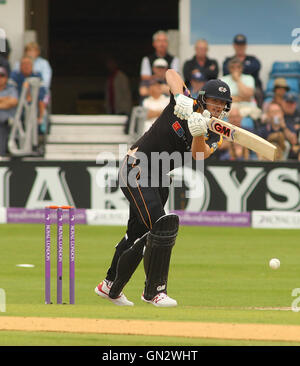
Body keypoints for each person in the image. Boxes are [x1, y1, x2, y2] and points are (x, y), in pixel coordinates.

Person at [95, 69, 232, 307]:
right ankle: (154, 292)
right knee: (162, 226)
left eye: (223, 103)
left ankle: (109, 286)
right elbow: (171, 73)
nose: (218, 106)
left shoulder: (215, 131)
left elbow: (199, 155)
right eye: (214, 100)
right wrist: (179, 96)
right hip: (136, 167)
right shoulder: (185, 104)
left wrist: (199, 131)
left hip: (159, 177)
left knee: (138, 234)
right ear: (202, 98)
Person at [223, 34, 263, 107]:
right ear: (234, 45)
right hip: (232, 93)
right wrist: (242, 99)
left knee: (258, 92)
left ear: (245, 45)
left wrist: (238, 77)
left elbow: (256, 68)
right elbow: (225, 71)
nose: (240, 47)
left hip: (252, 88)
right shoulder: (228, 60)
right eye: (233, 67)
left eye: (239, 67)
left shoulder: (253, 59)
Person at [9, 55, 47, 126]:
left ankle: (41, 119)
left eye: (28, 64)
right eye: (24, 64)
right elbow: (11, 92)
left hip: (34, 106)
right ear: (20, 66)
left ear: (32, 66)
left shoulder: (37, 75)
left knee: (42, 100)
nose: (26, 66)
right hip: (18, 105)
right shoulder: (15, 75)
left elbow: (42, 94)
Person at [0, 67, 18, 157]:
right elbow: (8, 103)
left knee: (2, 126)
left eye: (2, 76)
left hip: (7, 121)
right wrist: (5, 100)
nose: (0, 78)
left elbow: (13, 102)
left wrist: (7, 102)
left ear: (6, 78)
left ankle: (1, 155)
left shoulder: (11, 89)